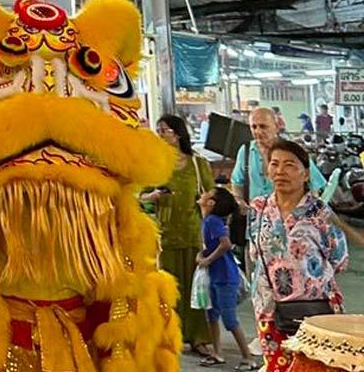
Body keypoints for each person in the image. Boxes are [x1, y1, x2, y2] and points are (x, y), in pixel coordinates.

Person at [250, 140, 349, 371]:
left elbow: (339, 259)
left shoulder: (320, 212)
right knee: (278, 367)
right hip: (270, 309)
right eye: (274, 164)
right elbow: (255, 252)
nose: (280, 171)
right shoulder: (258, 208)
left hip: (317, 310)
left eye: (289, 165)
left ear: (305, 174)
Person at [139, 113, 214, 357]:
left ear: (178, 134)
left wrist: (204, 203)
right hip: (166, 234)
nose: (160, 135)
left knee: (196, 288)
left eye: (164, 130)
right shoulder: (155, 164)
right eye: (158, 130)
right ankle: (169, 338)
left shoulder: (197, 164)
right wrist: (153, 197)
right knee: (168, 289)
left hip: (193, 233)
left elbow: (211, 195)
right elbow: (139, 195)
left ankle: (199, 338)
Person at [231, 107, 328, 264]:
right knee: (258, 277)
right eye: (253, 127)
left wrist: (311, 220)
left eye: (263, 126)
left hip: (291, 230)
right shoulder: (246, 151)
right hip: (257, 228)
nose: (257, 131)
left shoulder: (292, 152)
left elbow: (315, 186)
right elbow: (237, 182)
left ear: (276, 126)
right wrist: (239, 201)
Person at [195, 186, 260, 370]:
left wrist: (207, 259)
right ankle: (217, 353)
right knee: (212, 315)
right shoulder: (209, 220)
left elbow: (225, 244)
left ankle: (248, 358)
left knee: (229, 319)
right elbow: (212, 245)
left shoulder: (212, 221)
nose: (202, 194)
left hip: (224, 277)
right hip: (217, 276)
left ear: (211, 203)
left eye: (206, 194)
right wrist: (202, 256)